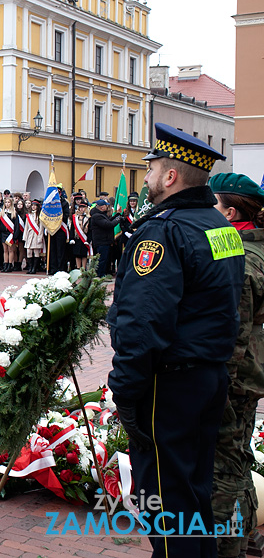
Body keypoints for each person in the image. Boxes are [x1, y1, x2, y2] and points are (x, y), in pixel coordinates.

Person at [108, 123, 244, 557]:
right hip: (208, 376)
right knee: (193, 490)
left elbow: (143, 322)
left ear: (170, 177)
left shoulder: (163, 231)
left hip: (169, 384)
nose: (145, 178)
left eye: (151, 170)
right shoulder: (216, 225)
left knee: (166, 501)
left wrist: (126, 389)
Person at [208, 173, 264, 558]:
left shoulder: (241, 261)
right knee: (238, 462)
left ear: (230, 212)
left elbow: (235, 336)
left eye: (212, 204)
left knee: (225, 470)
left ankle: (228, 547)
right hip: (250, 375)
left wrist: (216, 390)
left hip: (236, 379)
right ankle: (243, 539)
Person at [88, 199, 122, 277]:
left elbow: (109, 220)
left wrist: (117, 215)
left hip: (105, 241)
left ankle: (103, 273)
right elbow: (108, 225)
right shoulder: (97, 216)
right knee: (102, 259)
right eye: (106, 205)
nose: (107, 207)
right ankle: (100, 274)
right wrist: (118, 220)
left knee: (105, 259)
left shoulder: (101, 214)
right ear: (102, 207)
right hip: (101, 241)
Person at [22, 199, 45, 274]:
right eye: (33, 205)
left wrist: (40, 237)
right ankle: (30, 267)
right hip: (30, 235)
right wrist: (25, 237)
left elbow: (41, 228)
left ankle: (34, 268)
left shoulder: (40, 215)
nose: (33, 207)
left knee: (36, 251)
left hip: (36, 234)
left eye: (35, 205)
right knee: (29, 251)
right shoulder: (29, 215)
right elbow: (26, 226)